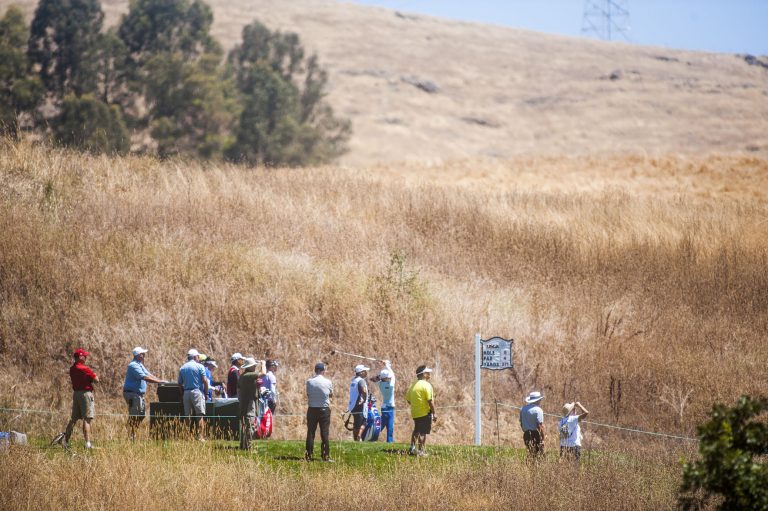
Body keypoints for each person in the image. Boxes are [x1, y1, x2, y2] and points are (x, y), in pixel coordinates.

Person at [53, 348, 100, 450]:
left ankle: (66, 441)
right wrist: (92, 377)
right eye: (84, 356)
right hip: (86, 394)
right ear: (80, 357)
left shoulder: (72, 368)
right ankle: (88, 444)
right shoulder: (84, 368)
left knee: (73, 419)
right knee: (87, 419)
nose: (86, 357)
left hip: (76, 394)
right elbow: (97, 380)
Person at [123, 346, 165, 440]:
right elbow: (144, 377)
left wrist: (160, 380)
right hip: (132, 394)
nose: (144, 355)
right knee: (135, 414)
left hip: (137, 394)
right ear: (138, 355)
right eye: (142, 354)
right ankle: (131, 434)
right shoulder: (133, 365)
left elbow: (148, 374)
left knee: (141, 415)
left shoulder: (139, 364)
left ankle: (132, 432)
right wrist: (159, 382)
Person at [178, 349, 209, 441]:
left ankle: (187, 436)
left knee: (187, 416)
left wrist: (182, 393)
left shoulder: (182, 367)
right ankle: (200, 437)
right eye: (198, 356)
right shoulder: (200, 366)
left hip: (186, 393)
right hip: (197, 392)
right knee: (199, 415)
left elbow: (179, 383)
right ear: (195, 357)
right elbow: (204, 380)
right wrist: (206, 393)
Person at [405, 365, 436, 456]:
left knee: (416, 430)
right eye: (427, 372)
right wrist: (434, 413)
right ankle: (421, 452)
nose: (429, 374)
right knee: (422, 432)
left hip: (415, 413)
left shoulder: (413, 385)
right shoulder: (427, 385)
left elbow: (408, 399)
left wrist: (416, 405)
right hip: (424, 412)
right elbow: (430, 401)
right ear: (423, 374)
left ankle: (412, 448)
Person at [305, 362, 334, 462]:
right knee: (324, 434)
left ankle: (308, 455)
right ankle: (325, 456)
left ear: (315, 370)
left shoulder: (309, 381)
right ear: (323, 371)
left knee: (310, 433)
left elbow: (308, 394)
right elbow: (331, 395)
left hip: (312, 409)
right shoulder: (328, 382)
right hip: (324, 409)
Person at [370, 360, 396, 443]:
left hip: (384, 407)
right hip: (390, 408)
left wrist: (385, 366)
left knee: (381, 425)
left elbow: (375, 378)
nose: (390, 377)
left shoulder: (380, 383)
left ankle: (373, 437)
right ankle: (389, 441)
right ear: (385, 378)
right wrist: (387, 365)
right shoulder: (391, 385)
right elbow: (393, 375)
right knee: (389, 426)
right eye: (388, 377)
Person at [237, 358, 259, 450]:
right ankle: (249, 446)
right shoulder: (249, 375)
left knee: (245, 425)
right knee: (250, 424)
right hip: (249, 403)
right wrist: (263, 364)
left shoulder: (243, 376)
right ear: (250, 367)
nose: (255, 367)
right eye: (254, 365)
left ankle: (243, 445)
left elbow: (238, 390)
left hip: (244, 402)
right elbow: (263, 373)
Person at [520, 391, 546, 462]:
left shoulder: (523, 409)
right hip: (536, 434)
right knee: (539, 455)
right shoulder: (538, 410)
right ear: (538, 400)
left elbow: (521, 423)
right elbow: (540, 426)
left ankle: (529, 469)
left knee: (530, 453)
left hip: (526, 434)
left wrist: (525, 430)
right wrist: (542, 438)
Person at [348, 364, 369, 441]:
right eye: (364, 371)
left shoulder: (354, 380)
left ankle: (357, 438)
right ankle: (357, 438)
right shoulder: (361, 381)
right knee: (360, 423)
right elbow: (364, 391)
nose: (366, 372)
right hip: (359, 405)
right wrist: (364, 398)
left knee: (359, 423)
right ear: (361, 372)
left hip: (353, 405)